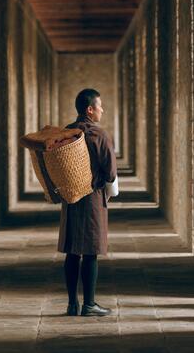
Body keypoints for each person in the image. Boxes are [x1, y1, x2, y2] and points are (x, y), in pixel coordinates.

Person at [57, 88, 117, 316]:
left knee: (72, 251)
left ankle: (72, 304)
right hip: (92, 198)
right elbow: (110, 172)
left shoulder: (67, 133)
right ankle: (89, 304)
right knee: (90, 251)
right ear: (90, 109)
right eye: (99, 106)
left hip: (71, 198)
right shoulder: (99, 135)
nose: (102, 110)